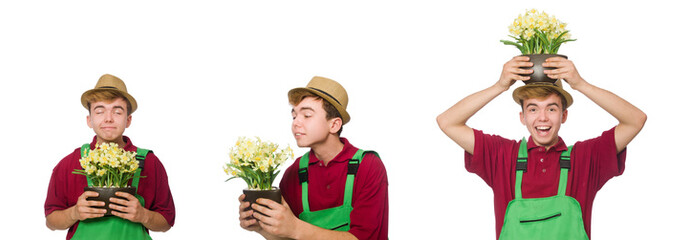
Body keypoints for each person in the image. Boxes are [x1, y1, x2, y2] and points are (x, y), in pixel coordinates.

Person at [436, 56, 646, 239]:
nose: (543, 118)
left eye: (552, 108)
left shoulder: (585, 158)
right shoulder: (502, 156)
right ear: (523, 117)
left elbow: (636, 120)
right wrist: (499, 86)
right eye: (533, 109)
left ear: (564, 115)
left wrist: (580, 84)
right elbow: (447, 121)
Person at [238, 76, 388, 240]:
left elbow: (365, 238)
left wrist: (295, 228)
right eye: (294, 116)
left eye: (307, 115)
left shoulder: (368, 166)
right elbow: (289, 237)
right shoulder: (295, 172)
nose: (295, 123)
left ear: (334, 125)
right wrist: (261, 227)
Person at [45, 74, 175, 239]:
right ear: (89, 120)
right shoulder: (69, 163)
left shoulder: (149, 162)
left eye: (117, 111)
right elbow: (51, 221)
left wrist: (144, 215)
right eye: (99, 111)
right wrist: (74, 213)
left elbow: (167, 221)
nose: (108, 118)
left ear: (128, 120)